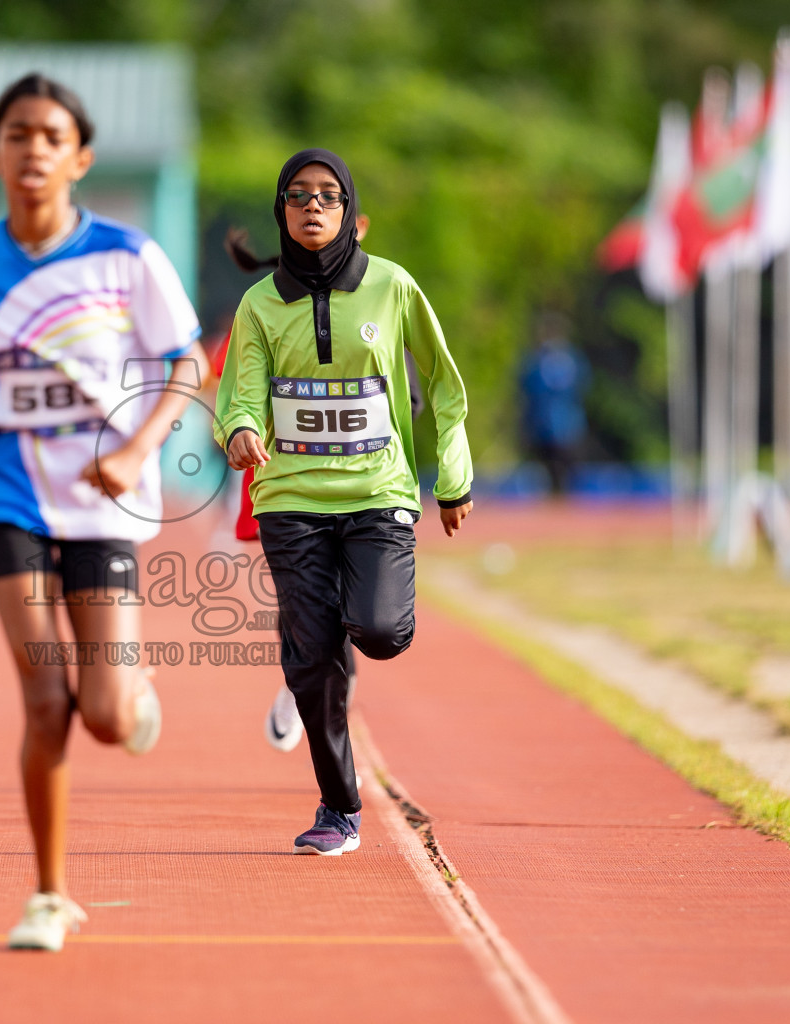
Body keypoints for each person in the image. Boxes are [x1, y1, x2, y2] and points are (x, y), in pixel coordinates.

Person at [0, 73, 205, 949]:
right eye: (18, 134)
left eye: (51, 136)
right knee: (44, 699)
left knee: (106, 717)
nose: (33, 150)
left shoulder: (127, 255)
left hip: (103, 499)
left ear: (79, 158)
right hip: (6, 489)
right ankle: (48, 896)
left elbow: (187, 363)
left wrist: (134, 449)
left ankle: (130, 696)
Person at [212, 149, 473, 855]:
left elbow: (443, 386)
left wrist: (453, 477)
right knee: (312, 655)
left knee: (382, 632)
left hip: (378, 492)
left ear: (351, 212)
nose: (312, 205)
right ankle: (339, 808)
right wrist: (239, 429)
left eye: (328, 195)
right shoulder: (259, 303)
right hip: (289, 498)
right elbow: (240, 394)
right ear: (283, 212)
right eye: (298, 195)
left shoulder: (392, 288)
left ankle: (338, 633)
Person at [519, 314, 589, 495]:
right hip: (549, 425)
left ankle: (561, 506)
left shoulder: (550, 360)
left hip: (562, 425)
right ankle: (556, 506)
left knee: (564, 472)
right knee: (551, 472)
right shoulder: (541, 359)